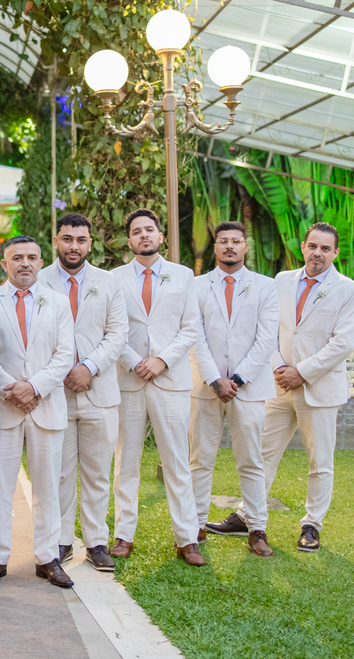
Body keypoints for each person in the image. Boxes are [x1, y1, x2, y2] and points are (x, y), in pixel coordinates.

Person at [210, 222, 354, 553]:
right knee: (262, 453)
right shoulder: (280, 281)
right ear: (303, 247)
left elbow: (344, 343)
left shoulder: (349, 290)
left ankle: (311, 525)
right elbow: (268, 328)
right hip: (278, 384)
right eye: (313, 246)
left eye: (325, 248)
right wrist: (278, 365)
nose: (318, 253)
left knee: (319, 461)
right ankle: (247, 515)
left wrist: (302, 373)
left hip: (318, 388)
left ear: (335, 253)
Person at [0, 235, 74, 589]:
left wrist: (33, 387)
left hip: (45, 405)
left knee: (48, 486)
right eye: (17, 257)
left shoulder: (58, 302)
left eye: (32, 257)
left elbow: (65, 355)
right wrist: (13, 389)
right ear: (4, 264)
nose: (25, 263)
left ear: (41, 262)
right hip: (2, 407)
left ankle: (48, 557)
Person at [112, 209, 205, 566]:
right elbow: (112, 329)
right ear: (130, 240)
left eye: (149, 229)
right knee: (126, 462)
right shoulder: (115, 278)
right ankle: (123, 535)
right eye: (137, 231)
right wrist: (135, 361)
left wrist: (161, 360)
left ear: (160, 236)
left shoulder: (183, 275)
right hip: (130, 380)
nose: (144, 235)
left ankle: (187, 538)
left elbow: (191, 327)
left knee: (177, 461)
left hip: (170, 380)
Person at [37, 213, 128, 572]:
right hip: (54, 394)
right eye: (67, 239)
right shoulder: (39, 280)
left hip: (99, 392)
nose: (74, 246)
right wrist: (61, 372)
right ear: (56, 241)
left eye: (81, 239)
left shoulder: (109, 282)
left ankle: (96, 542)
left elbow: (118, 334)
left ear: (90, 243)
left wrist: (88, 367)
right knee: (58, 473)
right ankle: (60, 541)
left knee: (97, 472)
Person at [189, 221, 280, 558]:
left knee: (252, 459)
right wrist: (215, 379)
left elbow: (267, 339)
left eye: (236, 241)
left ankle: (256, 528)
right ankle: (195, 525)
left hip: (249, 389)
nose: (230, 246)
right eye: (223, 241)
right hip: (205, 387)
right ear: (215, 247)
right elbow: (194, 335)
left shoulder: (266, 287)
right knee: (200, 459)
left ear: (245, 246)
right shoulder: (196, 286)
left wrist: (238, 379)